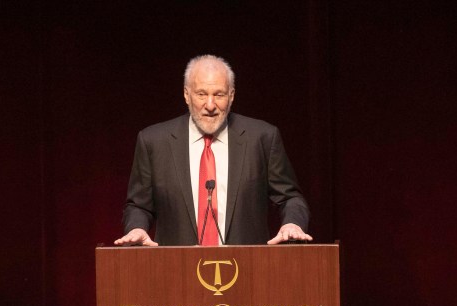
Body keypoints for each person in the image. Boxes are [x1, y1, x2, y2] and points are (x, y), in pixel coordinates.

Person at [114, 54, 312, 247]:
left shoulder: (262, 137)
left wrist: (292, 223)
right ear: (186, 95)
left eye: (219, 95)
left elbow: (289, 197)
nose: (210, 105)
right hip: (176, 270)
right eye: (201, 94)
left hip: (248, 269)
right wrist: (137, 227)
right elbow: (138, 205)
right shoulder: (153, 141)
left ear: (231, 96)